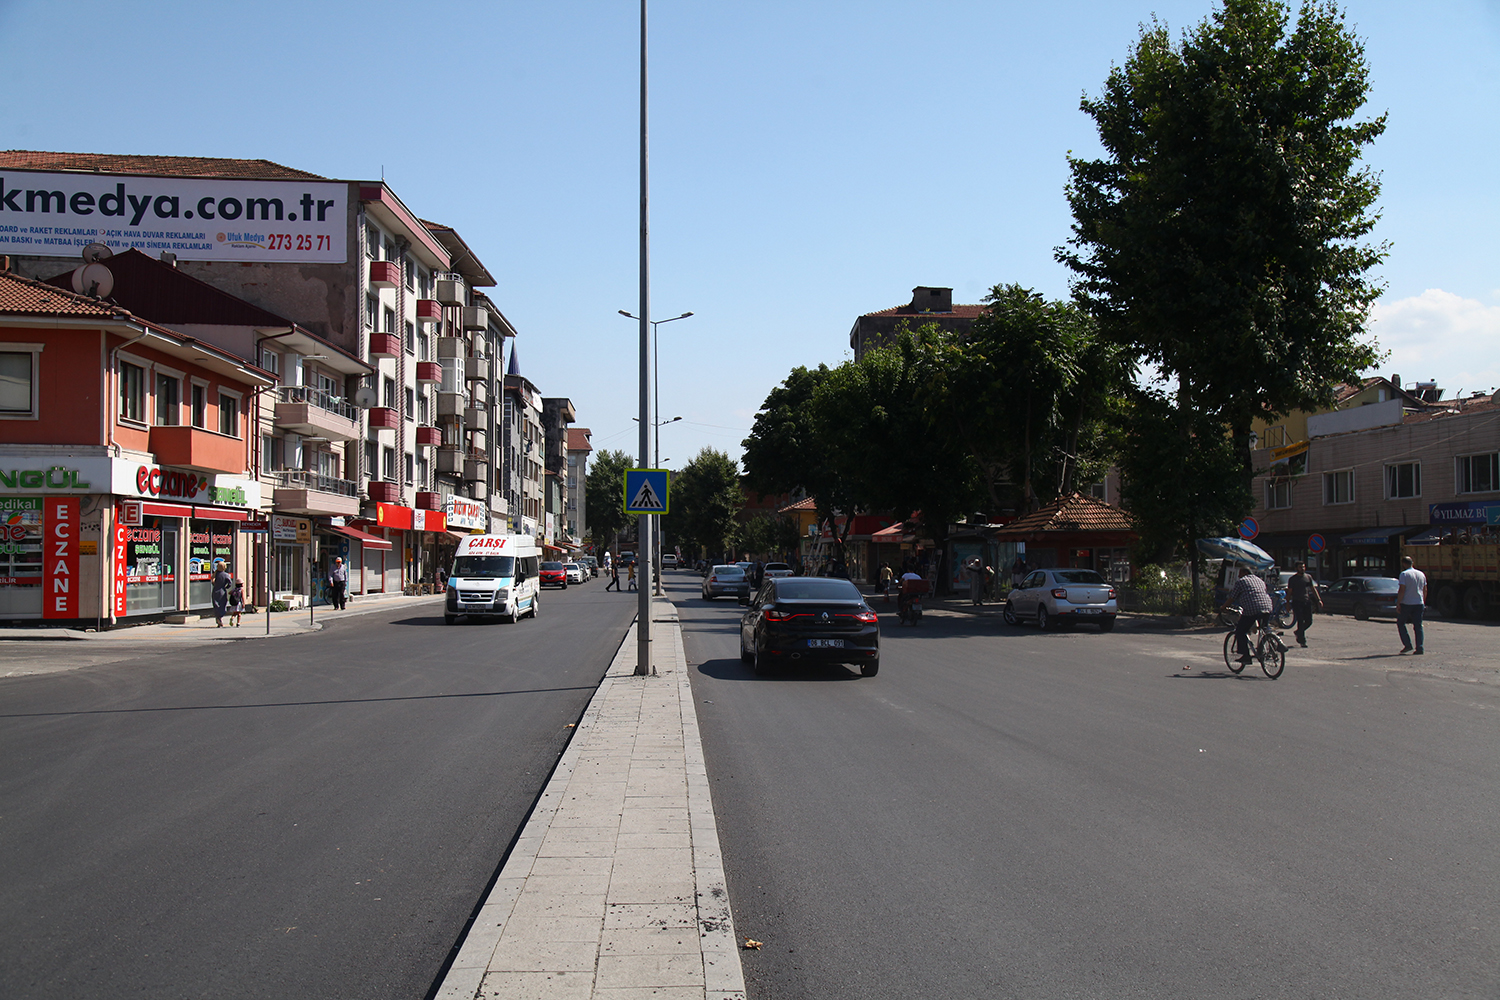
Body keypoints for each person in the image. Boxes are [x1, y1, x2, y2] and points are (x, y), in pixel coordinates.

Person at [1220, 565, 1273, 665]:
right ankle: (1272, 643)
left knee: (1240, 631)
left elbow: (1232, 597)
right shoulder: (1259, 580)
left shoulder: (1241, 582)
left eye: (1240, 573)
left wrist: (1223, 607)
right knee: (1264, 628)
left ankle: (1246, 656)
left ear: (1245, 573)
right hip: (1268, 607)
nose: (1239, 576)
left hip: (1252, 609)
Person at [1396, 554, 1428, 655]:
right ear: (1412, 563)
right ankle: (1420, 647)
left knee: (1401, 623)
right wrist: (1423, 601)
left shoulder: (1404, 574)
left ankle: (1407, 645)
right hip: (1419, 602)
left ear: (1404, 564)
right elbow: (1425, 590)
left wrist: (1398, 603)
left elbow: (1402, 590)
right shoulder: (1421, 574)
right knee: (1418, 626)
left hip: (1407, 602)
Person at [1286, 562, 1322, 647]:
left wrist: (1318, 600)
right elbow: (1289, 592)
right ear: (1296, 568)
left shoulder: (1308, 577)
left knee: (1309, 621)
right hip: (1297, 601)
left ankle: (1298, 632)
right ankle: (1302, 640)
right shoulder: (1293, 579)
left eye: (1303, 567)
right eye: (1300, 567)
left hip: (1307, 601)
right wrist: (1287, 604)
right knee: (1300, 621)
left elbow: (1313, 589)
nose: (1302, 569)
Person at [211, 560, 232, 628]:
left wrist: (215, 584)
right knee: (223, 604)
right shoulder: (226, 575)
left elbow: (212, 581)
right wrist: (226, 587)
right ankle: (220, 616)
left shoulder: (215, 574)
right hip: (222, 591)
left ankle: (218, 618)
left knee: (216, 604)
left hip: (215, 590)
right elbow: (230, 583)